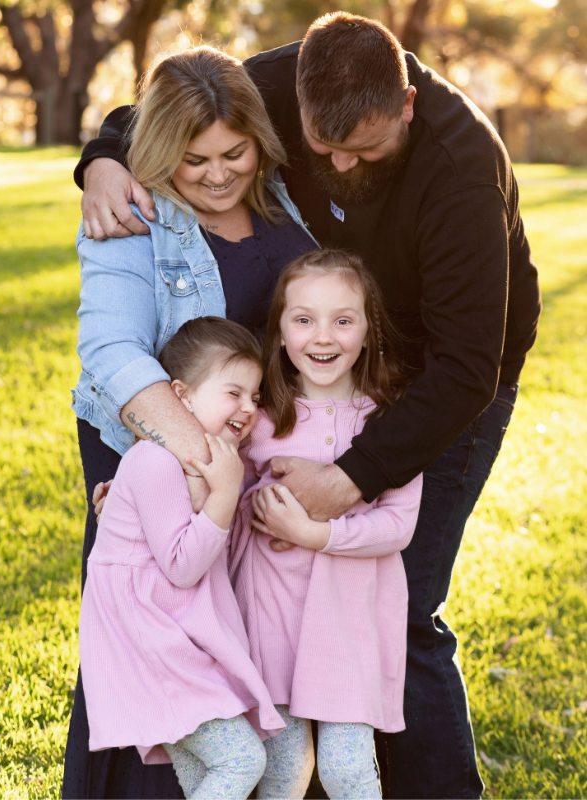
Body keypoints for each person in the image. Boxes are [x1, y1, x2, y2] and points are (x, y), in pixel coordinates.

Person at [75, 12, 541, 800]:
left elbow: (468, 368)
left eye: (361, 149)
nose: (335, 164)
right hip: (307, 378)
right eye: (321, 148)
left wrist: (357, 475)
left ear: (404, 105)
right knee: (261, 591)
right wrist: (101, 161)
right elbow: (175, 106)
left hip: (444, 381)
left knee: (402, 604)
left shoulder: (461, 171)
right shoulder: (295, 79)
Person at [64, 46, 317, 799]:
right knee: (173, 661)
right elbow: (112, 352)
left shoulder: (283, 194)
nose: (214, 173)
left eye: (232, 153)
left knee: (262, 659)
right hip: (171, 467)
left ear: (259, 142)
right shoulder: (133, 210)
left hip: (262, 478)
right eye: (191, 157)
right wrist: (207, 466)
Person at [229, 250, 422, 799]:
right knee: (284, 772)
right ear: (281, 331)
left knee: (347, 770)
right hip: (270, 621)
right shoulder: (261, 419)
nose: (324, 336)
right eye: (304, 318)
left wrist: (319, 535)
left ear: (369, 329)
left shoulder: (389, 420)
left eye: (343, 319)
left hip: (349, 624)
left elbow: (397, 526)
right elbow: (228, 499)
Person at [80, 316, 286, 799]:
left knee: (204, 777)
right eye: (233, 393)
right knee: (241, 759)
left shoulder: (195, 468)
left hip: (175, 640)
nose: (248, 408)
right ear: (182, 395)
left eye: (256, 398)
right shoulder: (153, 460)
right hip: (151, 643)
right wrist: (225, 493)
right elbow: (182, 566)